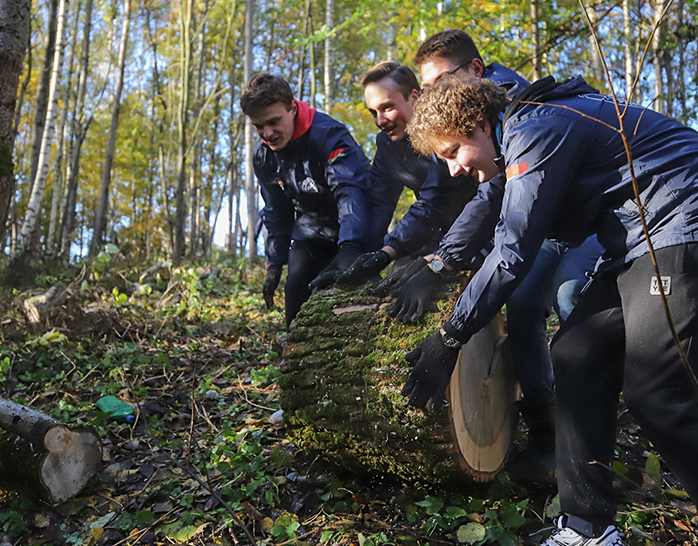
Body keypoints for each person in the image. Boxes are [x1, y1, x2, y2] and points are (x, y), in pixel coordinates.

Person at [403, 73, 698, 546]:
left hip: (695, 220)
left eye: (455, 149)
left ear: (481, 124)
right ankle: (588, 531)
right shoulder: (516, 135)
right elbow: (494, 215)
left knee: (660, 395)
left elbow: (513, 250)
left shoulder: (537, 129)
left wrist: (450, 337)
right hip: (637, 240)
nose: (455, 165)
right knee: (574, 354)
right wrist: (435, 263)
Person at [402, 29, 603, 482]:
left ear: (474, 72)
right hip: (548, 224)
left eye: (440, 81)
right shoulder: (488, 126)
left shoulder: (514, 112)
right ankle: (544, 425)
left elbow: (506, 228)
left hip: (587, 224)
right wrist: (439, 260)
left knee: (575, 301)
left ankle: (591, 433)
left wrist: (450, 333)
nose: (433, 93)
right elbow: (490, 197)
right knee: (524, 304)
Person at [240, 73, 376, 327]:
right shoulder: (263, 156)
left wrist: (351, 246)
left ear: (292, 109)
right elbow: (276, 210)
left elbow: (351, 192)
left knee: (349, 296)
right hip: (311, 227)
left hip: (356, 225)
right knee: (296, 287)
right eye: (259, 127)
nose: (267, 134)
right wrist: (274, 263)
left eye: (273, 122)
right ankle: (293, 349)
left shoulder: (329, 136)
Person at [335, 62, 478, 291]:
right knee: (397, 278)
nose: (380, 121)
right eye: (374, 112)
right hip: (433, 234)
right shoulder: (386, 145)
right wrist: (356, 254)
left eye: (387, 107)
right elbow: (379, 202)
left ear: (415, 97)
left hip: (479, 230)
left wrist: (386, 252)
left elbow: (435, 199)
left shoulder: (444, 128)